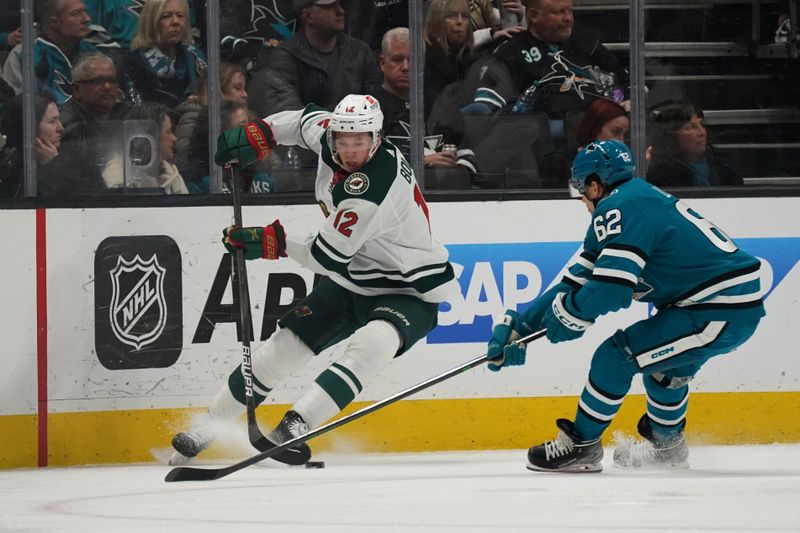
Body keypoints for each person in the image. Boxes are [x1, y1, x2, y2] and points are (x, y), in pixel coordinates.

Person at [168, 93, 459, 466]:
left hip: (411, 287)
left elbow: (325, 257)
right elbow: (303, 120)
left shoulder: (372, 189)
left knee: (372, 344)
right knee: (284, 346)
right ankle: (207, 426)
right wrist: (261, 133)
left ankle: (297, 424)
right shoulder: (329, 135)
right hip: (354, 279)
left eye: (360, 142)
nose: (350, 150)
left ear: (376, 138)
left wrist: (273, 241)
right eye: (343, 140)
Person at [487, 139, 765, 472]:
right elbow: (575, 281)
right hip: (721, 306)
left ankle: (582, 446)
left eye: (581, 190)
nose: (582, 200)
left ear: (595, 184)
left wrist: (571, 314)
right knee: (665, 370)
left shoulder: (619, 208)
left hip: (716, 309)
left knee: (616, 356)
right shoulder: (632, 199)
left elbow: (610, 289)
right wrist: (524, 324)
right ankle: (668, 449)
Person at [247, 0, 383, 118]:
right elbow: (287, 111)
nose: (341, 11)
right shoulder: (286, 56)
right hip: (308, 142)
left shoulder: (361, 52)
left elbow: (377, 102)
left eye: (340, 5)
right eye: (330, 6)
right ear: (308, 15)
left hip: (357, 139)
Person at [375, 27, 476, 174]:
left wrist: (457, 168)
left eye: (413, 60)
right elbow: (363, 163)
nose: (406, 67)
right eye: (397, 59)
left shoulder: (440, 105)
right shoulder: (368, 108)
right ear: (382, 63)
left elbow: (468, 154)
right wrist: (420, 162)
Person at [2, 0, 100, 104]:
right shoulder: (25, 55)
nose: (87, 19)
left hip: (89, 120)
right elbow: (16, 108)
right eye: (76, 13)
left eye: (85, 12)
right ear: (54, 22)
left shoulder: (93, 54)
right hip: (48, 119)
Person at [123, 0, 207, 109]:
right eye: (166, 16)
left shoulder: (195, 57)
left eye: (180, 15)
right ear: (151, 22)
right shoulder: (133, 63)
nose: (175, 21)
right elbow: (138, 110)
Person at [646, 102, 741, 188]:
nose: (701, 133)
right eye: (691, 127)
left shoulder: (724, 169)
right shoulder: (660, 176)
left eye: (702, 125)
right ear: (671, 134)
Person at [101, 102, 189, 193]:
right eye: (168, 132)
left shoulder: (171, 174)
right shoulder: (117, 182)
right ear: (150, 137)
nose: (174, 138)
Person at [0, 93, 64, 197]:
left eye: (58, 119)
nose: (60, 128)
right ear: (29, 128)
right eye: (52, 121)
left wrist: (53, 165)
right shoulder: (10, 167)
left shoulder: (74, 155)